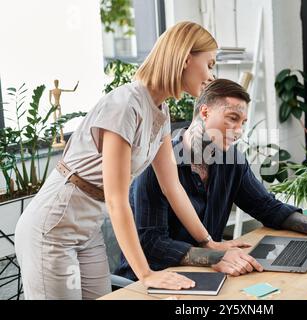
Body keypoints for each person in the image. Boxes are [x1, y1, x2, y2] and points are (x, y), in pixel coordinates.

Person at [14, 21, 237, 300]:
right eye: (210, 64)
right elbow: (116, 200)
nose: (211, 76)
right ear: (185, 59)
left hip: (88, 230)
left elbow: (172, 187)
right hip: (53, 229)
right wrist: (146, 274)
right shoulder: (125, 105)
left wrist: (209, 242)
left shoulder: (160, 110)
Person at [116, 79, 307, 279]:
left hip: (211, 274)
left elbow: (264, 206)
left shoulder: (231, 161)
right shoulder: (156, 165)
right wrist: (216, 257)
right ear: (205, 113)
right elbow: (153, 245)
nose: (238, 131)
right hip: (152, 280)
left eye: (243, 123)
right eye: (232, 118)